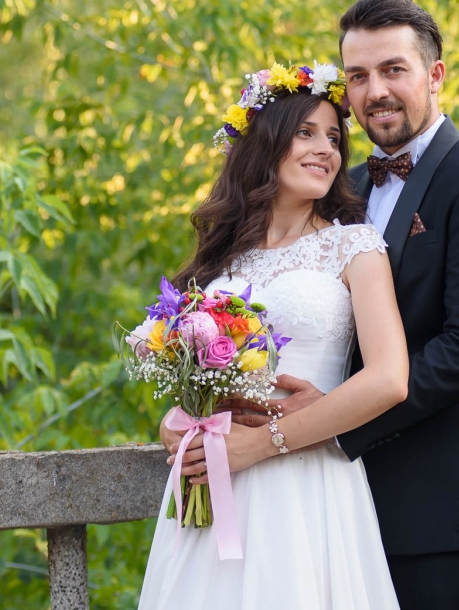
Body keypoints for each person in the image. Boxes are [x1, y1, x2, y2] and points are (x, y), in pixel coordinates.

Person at [174, 0, 459, 609]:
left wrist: (331, 426)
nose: (375, 92)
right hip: (315, 512)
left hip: (437, 510)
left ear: (435, 75)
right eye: (359, 76)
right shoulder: (342, 185)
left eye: (394, 70)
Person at [138, 63, 410, 609]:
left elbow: (388, 380)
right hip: (215, 488)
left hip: (305, 482)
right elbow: (193, 375)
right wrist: (180, 421)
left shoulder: (354, 247)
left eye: (334, 137)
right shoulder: (220, 262)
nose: (326, 150)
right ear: (266, 143)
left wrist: (266, 444)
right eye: (305, 133)